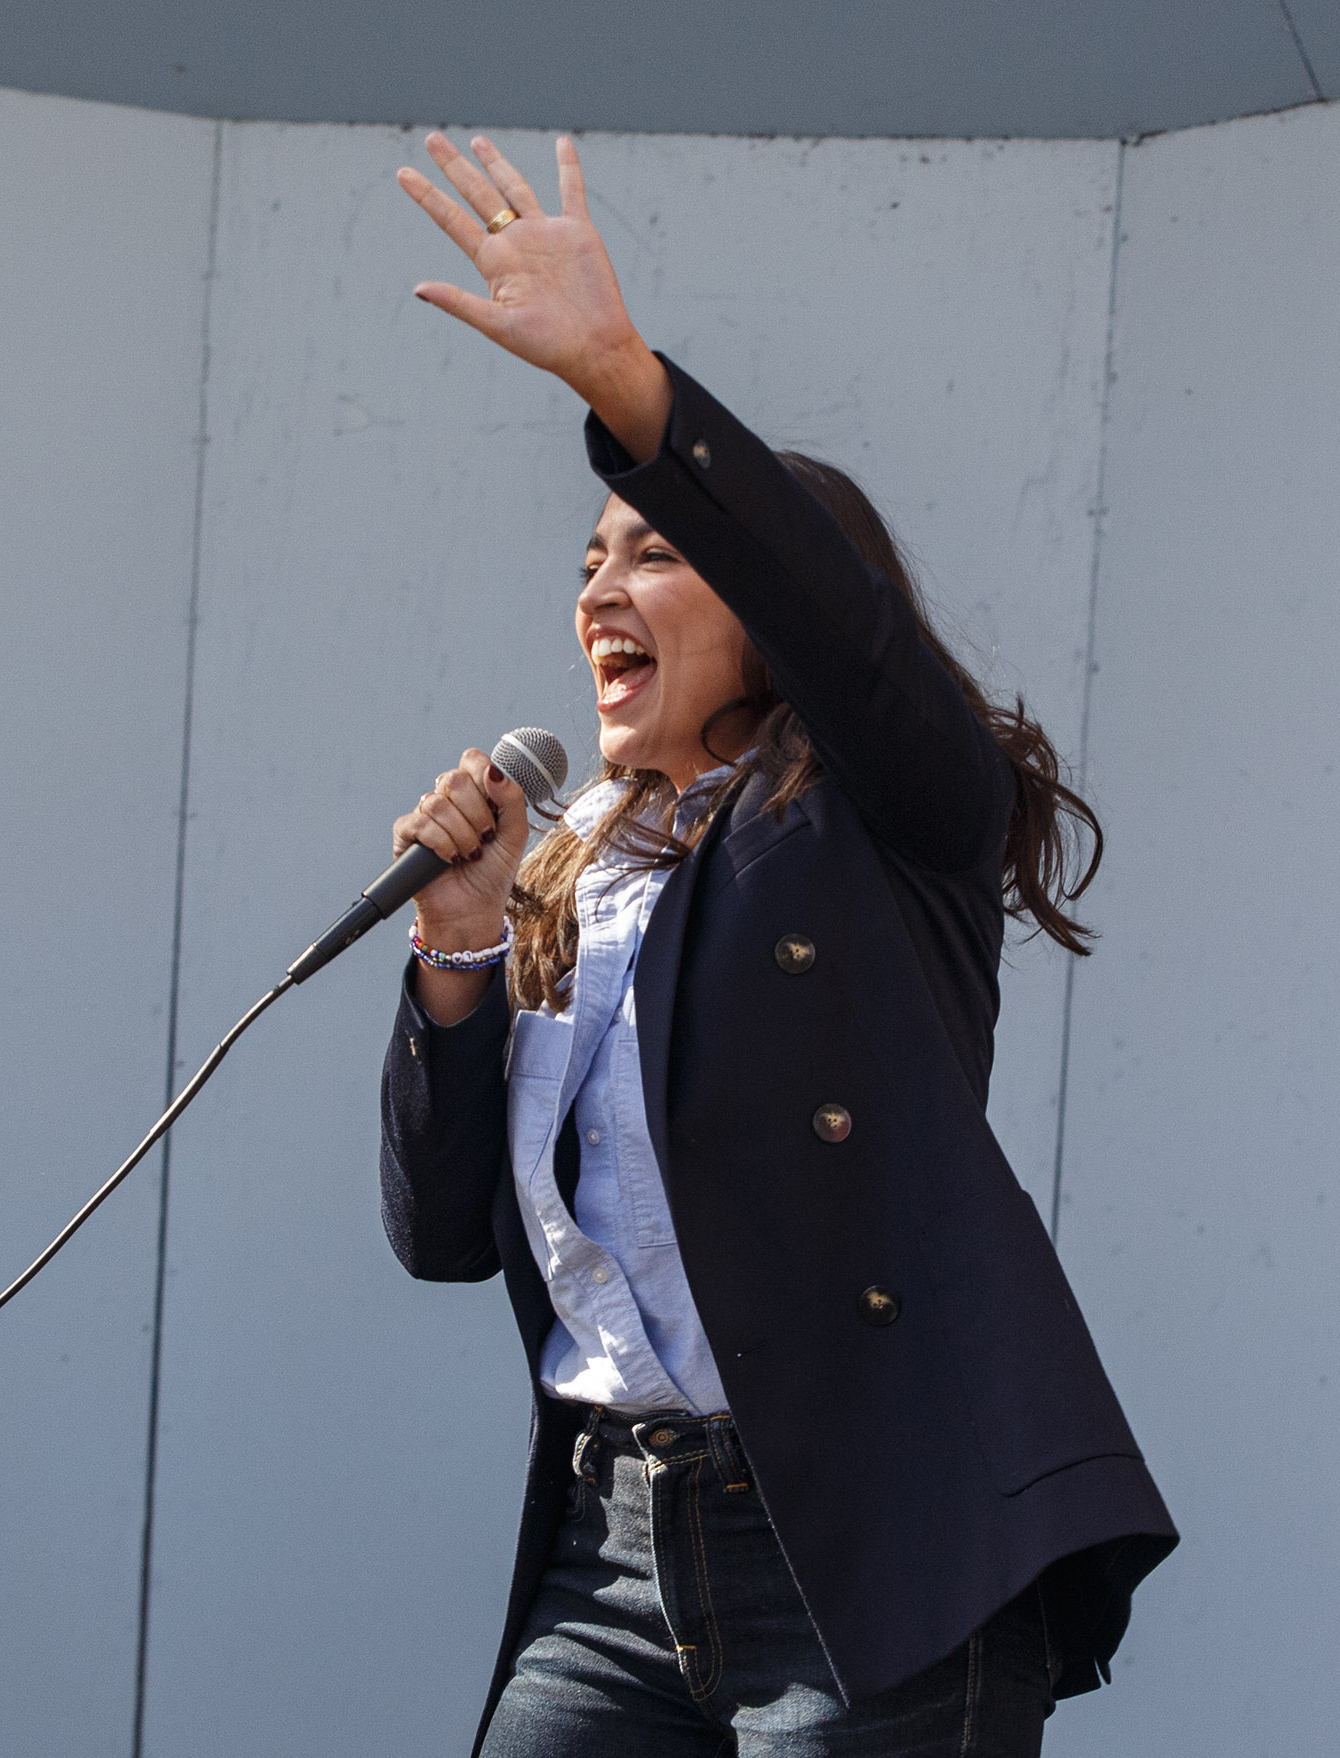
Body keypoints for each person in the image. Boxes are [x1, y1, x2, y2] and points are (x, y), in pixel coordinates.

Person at [377, 133, 1176, 1757]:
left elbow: (855, 648)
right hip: (610, 1558)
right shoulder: (574, 878)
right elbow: (445, 1235)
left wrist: (629, 384)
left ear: (777, 602)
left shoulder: (881, 818)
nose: (602, 587)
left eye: (656, 550)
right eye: (588, 560)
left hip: (865, 1543)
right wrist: (460, 962)